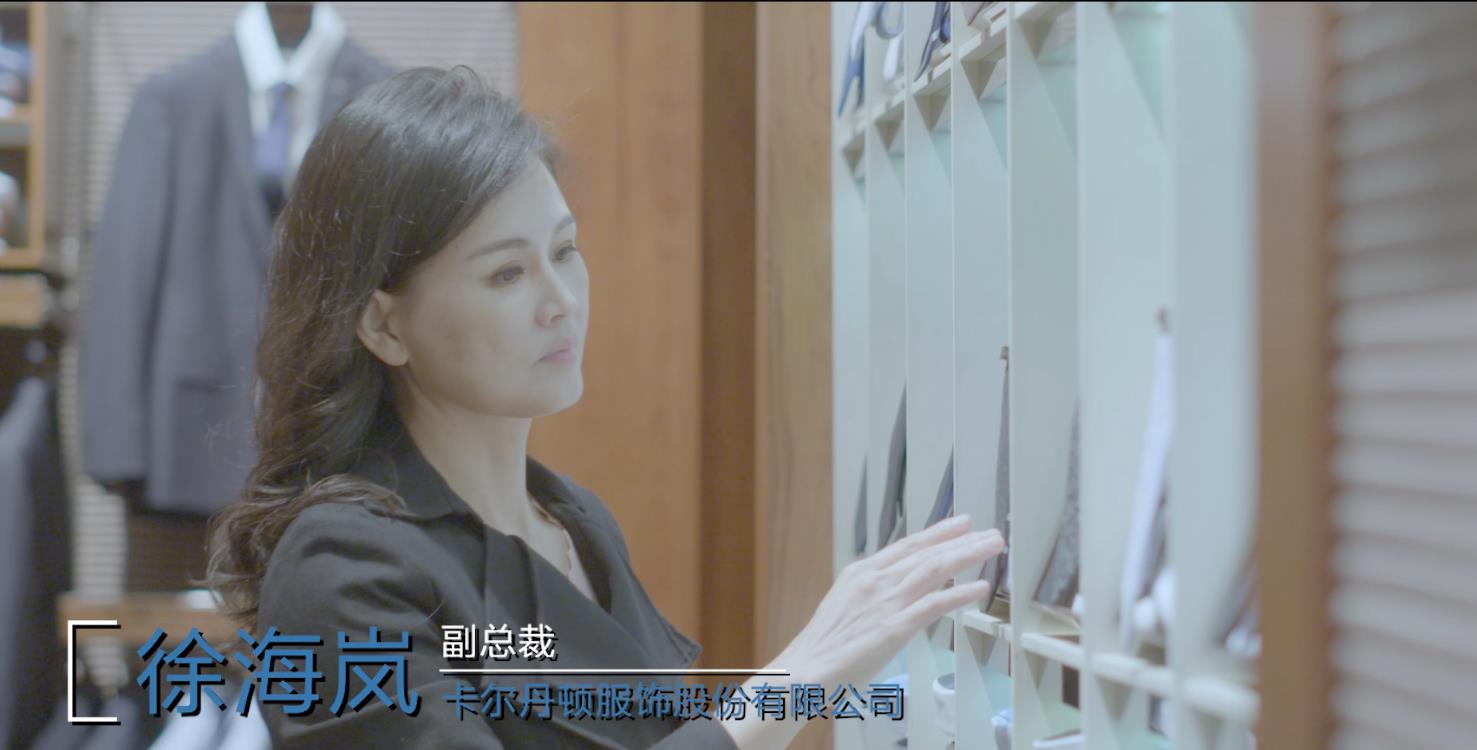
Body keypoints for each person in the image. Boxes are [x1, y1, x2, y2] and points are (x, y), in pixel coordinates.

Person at [206, 66, 1001, 750]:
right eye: (507, 274)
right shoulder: (341, 569)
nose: (561, 301)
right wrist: (792, 684)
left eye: (565, 252)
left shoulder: (575, 523)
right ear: (383, 325)